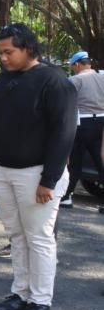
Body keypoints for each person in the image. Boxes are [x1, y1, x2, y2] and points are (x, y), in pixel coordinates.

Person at [0, 24, 76, 310]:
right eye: (0, 52)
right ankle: (20, 293)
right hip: (4, 172)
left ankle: (40, 301)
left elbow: (64, 132)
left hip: (38, 175)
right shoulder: (2, 81)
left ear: (28, 49)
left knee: (39, 239)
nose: (3, 58)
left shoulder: (54, 81)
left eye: (9, 52)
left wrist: (50, 179)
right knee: (17, 236)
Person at [62, 50, 104, 208]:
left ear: (78, 64)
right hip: (101, 122)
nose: (73, 69)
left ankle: (66, 197)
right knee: (100, 161)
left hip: (82, 123)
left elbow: (66, 104)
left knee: (76, 161)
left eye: (73, 66)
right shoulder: (103, 77)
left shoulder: (74, 80)